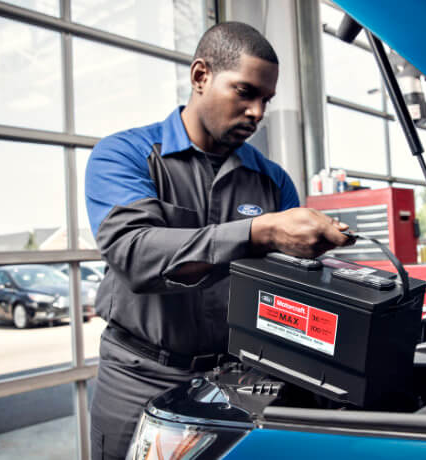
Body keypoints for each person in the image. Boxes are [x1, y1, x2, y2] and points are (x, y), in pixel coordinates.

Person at [85, 22, 351, 460]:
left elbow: (293, 291)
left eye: (266, 100)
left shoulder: (272, 181)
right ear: (200, 76)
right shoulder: (125, 155)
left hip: (239, 380)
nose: (257, 112)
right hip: (138, 377)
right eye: (245, 92)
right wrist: (260, 232)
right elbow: (135, 255)